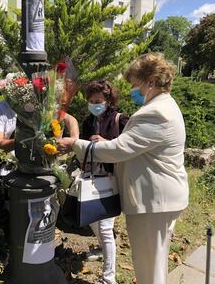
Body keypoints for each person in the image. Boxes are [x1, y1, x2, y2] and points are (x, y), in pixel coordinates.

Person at [58, 53, 189, 284]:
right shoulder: (161, 105)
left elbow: (119, 149)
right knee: (151, 263)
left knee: (150, 268)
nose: (132, 90)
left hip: (154, 202)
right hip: (155, 199)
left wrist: (75, 144)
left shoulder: (156, 112)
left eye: (134, 84)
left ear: (150, 81)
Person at [81, 80, 128, 284]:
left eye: (98, 101)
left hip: (112, 178)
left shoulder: (121, 120)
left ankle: (109, 279)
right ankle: (102, 248)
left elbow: (129, 148)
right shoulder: (87, 122)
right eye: (91, 101)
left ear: (108, 101)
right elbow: (81, 146)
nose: (94, 104)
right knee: (91, 218)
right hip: (92, 177)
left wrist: (106, 144)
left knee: (106, 228)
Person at [0, 100, 80, 153]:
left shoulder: (38, 103)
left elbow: (69, 119)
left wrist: (74, 139)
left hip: (45, 161)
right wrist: (27, 140)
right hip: (13, 166)